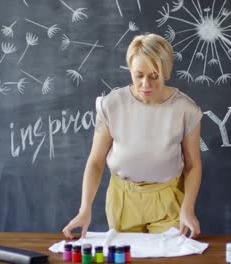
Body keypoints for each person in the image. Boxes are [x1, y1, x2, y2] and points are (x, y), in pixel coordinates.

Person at [62, 33, 203, 239]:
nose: (146, 84)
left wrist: (188, 207)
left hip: (168, 199)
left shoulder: (186, 110)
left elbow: (193, 165)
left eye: (154, 75)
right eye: (139, 75)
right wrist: (85, 209)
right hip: (123, 199)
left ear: (166, 71)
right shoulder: (111, 105)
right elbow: (95, 161)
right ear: (130, 70)